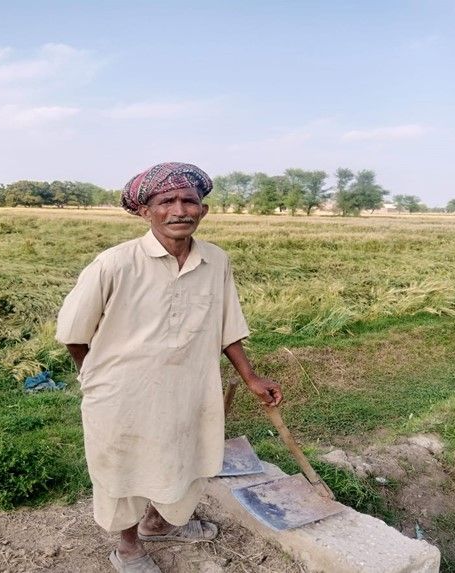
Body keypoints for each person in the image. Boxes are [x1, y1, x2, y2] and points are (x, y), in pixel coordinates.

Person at [56, 162, 283, 573]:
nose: (180, 210)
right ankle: (127, 548)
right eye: (167, 201)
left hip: (191, 387)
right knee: (124, 465)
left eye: (189, 201)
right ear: (146, 212)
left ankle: (159, 524)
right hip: (122, 393)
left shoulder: (216, 260)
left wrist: (251, 377)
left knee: (184, 455)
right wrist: (94, 376)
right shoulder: (114, 263)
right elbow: (74, 331)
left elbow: (226, 325)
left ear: (204, 210)